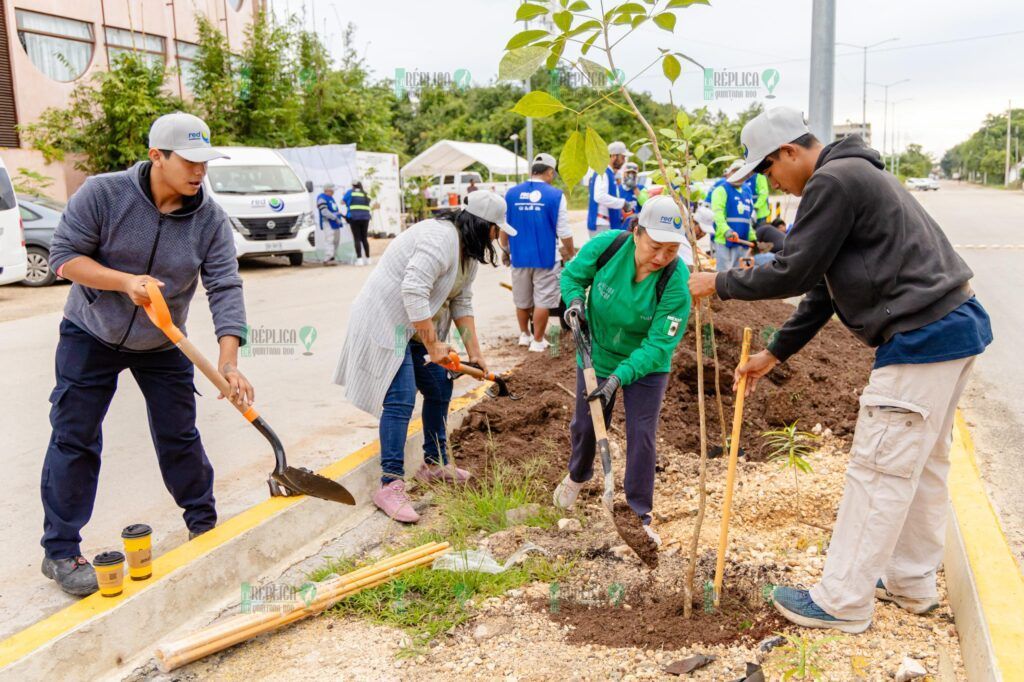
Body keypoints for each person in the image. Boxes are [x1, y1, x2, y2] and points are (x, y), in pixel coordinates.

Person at [689, 107, 993, 634]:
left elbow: (795, 271)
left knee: (878, 471)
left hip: (921, 336)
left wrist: (719, 283)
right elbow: (822, 290)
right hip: (951, 328)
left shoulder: (832, 180)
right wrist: (774, 352)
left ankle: (842, 601)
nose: (770, 182)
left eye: (766, 169)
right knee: (920, 468)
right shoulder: (855, 174)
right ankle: (910, 580)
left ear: (789, 151)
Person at [41, 112, 252, 597]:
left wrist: (229, 361)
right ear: (157, 155)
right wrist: (124, 283)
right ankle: (60, 551)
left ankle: (203, 523)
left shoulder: (210, 219)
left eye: (206, 163)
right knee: (75, 437)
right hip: (90, 331)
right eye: (190, 162)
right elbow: (63, 258)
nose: (200, 172)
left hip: (163, 340)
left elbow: (225, 286)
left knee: (179, 433)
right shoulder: (103, 193)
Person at [334, 190, 516, 523]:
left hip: (417, 324)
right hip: (387, 321)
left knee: (439, 387)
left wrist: (476, 354)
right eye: (495, 229)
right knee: (401, 398)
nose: (497, 236)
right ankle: (390, 484)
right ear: (481, 224)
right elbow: (412, 290)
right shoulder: (439, 239)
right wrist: (434, 345)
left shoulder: (468, 253)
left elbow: (462, 301)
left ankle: (433, 465)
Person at [555, 195, 693, 545]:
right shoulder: (608, 246)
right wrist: (573, 303)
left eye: (672, 250)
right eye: (655, 247)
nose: (662, 257)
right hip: (598, 352)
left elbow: (660, 344)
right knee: (585, 425)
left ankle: (637, 514)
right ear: (636, 232)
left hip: (646, 365)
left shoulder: (676, 281)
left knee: (642, 434)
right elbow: (572, 276)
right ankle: (577, 475)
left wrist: (620, 378)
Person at [501, 152, 575, 352]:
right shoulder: (556, 195)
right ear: (549, 172)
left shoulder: (511, 193)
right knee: (542, 300)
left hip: (519, 256)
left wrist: (505, 250)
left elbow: (504, 228)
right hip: (546, 258)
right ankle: (538, 340)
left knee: (522, 299)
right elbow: (564, 231)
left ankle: (524, 335)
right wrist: (571, 254)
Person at [709, 159, 756, 271]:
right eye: (734, 172)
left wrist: (753, 238)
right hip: (725, 241)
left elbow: (747, 218)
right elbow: (718, 214)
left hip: (743, 242)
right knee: (724, 275)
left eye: (740, 172)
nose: (737, 175)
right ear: (728, 174)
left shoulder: (747, 191)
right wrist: (726, 231)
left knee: (741, 274)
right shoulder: (721, 190)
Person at [586, 141, 630, 238]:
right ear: (614, 156)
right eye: (622, 157)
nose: (624, 161)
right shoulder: (603, 172)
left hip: (605, 223)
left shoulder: (609, 173)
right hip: (601, 224)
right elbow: (599, 196)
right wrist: (622, 203)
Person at [343, 181, 372, 266]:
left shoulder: (350, 193)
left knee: (357, 238)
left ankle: (359, 260)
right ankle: (368, 258)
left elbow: (343, 201)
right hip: (365, 217)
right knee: (364, 238)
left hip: (354, 217)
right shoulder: (365, 194)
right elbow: (368, 202)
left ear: (353, 186)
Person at [316, 183, 346, 266]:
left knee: (336, 240)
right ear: (327, 190)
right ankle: (328, 258)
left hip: (335, 223)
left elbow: (333, 209)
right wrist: (334, 217)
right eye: (332, 190)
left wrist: (339, 216)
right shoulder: (321, 198)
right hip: (328, 222)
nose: (333, 192)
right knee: (329, 240)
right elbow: (324, 211)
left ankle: (332, 257)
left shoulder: (331, 198)